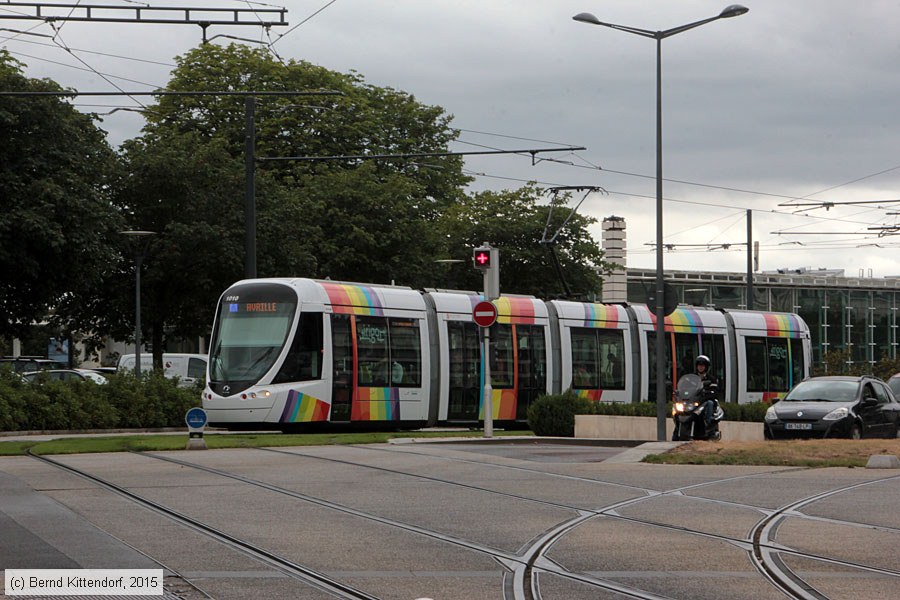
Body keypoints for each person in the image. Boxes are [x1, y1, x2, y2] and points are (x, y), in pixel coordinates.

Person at [694, 355, 719, 434]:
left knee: (710, 403)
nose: (700, 367)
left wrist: (706, 395)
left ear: (706, 367)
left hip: (705, 400)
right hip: (694, 400)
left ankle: (708, 423)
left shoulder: (711, 379)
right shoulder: (692, 378)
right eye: (699, 365)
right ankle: (677, 432)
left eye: (702, 365)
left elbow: (714, 392)